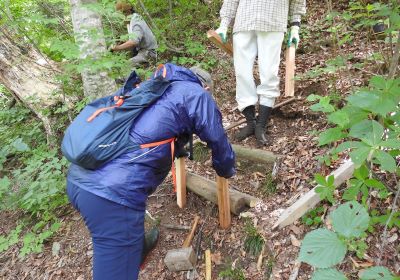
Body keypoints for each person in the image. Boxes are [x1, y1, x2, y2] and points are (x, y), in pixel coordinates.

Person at [66, 63, 236, 280]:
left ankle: (135, 249)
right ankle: (129, 253)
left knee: (115, 247)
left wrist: (176, 151)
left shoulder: (156, 87)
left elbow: (147, 132)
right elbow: (217, 140)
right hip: (111, 198)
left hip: (80, 180)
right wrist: (226, 168)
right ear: (206, 87)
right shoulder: (197, 94)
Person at [215, 0, 306, 145]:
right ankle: (250, 122)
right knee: (242, 73)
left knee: (269, 74)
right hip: (244, 21)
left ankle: (261, 125)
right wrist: (224, 24)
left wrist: (295, 27)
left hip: (273, 21)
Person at [111, 1, 158, 66]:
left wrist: (117, 48)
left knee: (125, 66)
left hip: (148, 52)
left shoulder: (136, 20)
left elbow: (134, 41)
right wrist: (122, 42)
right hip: (142, 51)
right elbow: (133, 38)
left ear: (124, 12)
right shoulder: (130, 20)